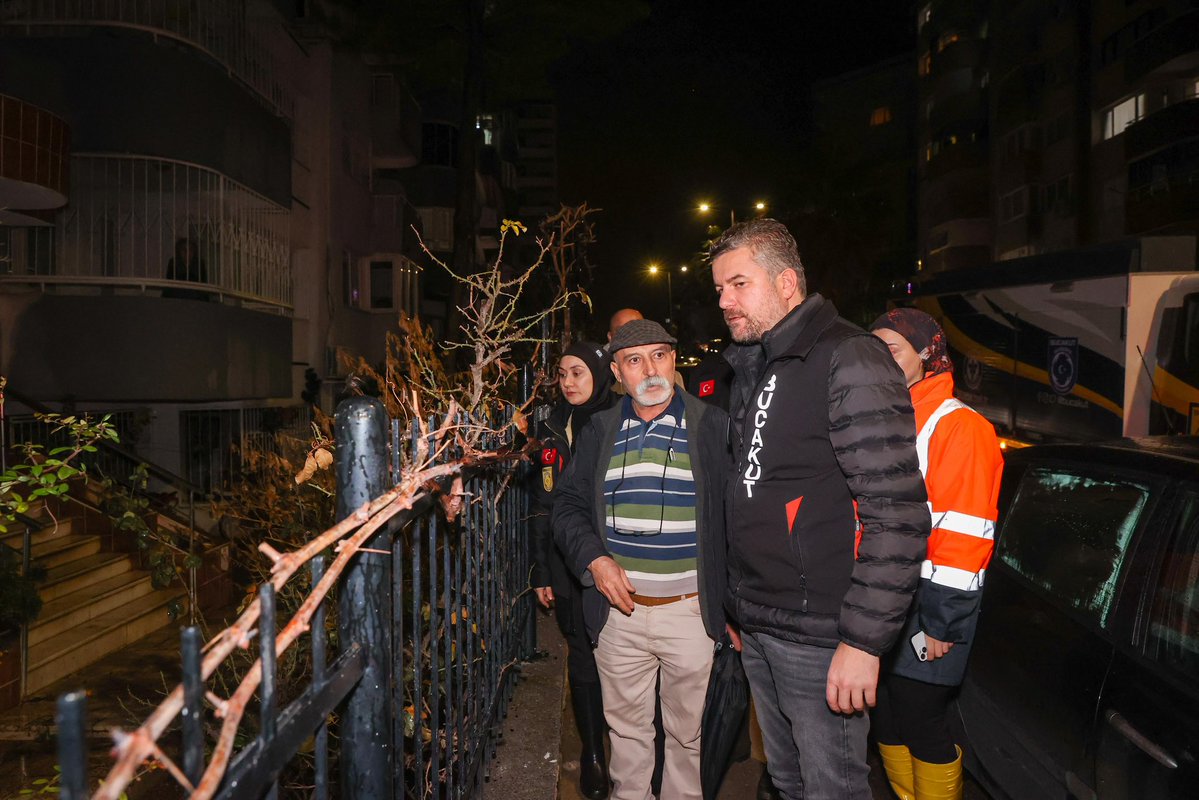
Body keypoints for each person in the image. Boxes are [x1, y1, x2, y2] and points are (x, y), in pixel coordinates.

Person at [709, 219, 930, 800]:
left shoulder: (848, 356)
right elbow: (753, 489)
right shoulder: (756, 364)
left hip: (821, 636)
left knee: (831, 789)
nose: (724, 301)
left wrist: (862, 643)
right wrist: (737, 603)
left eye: (737, 284)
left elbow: (896, 512)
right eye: (719, 290)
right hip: (760, 622)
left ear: (786, 283)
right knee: (787, 783)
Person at [553, 319, 730, 800]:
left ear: (674, 361)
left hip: (691, 613)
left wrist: (734, 606)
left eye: (659, 356)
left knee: (687, 739)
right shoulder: (599, 430)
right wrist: (594, 560)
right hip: (619, 617)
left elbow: (735, 518)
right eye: (634, 360)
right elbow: (566, 506)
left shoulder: (712, 425)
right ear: (617, 371)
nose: (650, 369)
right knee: (627, 739)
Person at [868, 309, 1003, 800]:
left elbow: (967, 532)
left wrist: (942, 623)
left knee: (920, 718)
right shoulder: (886, 419)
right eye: (873, 349)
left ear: (928, 355)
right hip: (882, 597)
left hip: (932, 600)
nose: (880, 360)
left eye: (894, 349)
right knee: (884, 715)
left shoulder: (959, 426)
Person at [531, 341, 618, 799]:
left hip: (615, 563)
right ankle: (593, 755)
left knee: (621, 659)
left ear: (601, 374)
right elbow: (543, 506)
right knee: (581, 656)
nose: (568, 382)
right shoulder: (550, 425)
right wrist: (542, 571)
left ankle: (632, 748)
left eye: (578, 372)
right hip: (566, 566)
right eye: (563, 373)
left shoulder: (621, 420)